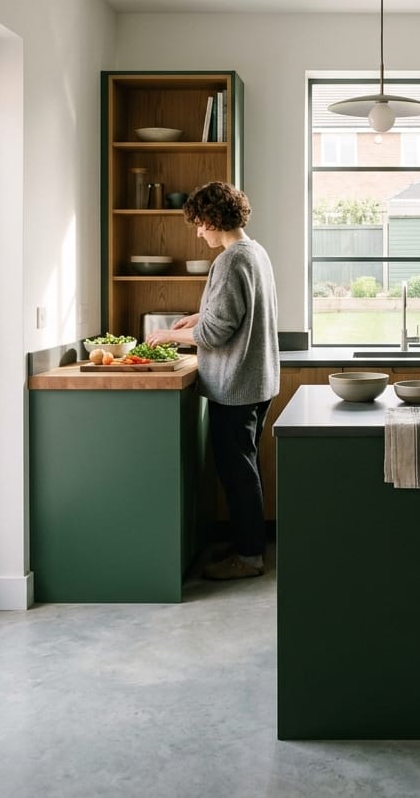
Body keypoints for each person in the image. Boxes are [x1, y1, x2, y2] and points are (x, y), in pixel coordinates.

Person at [146, 181, 279, 581]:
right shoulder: (255, 252)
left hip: (235, 386)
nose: (198, 232)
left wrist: (170, 334)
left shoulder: (229, 261)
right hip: (257, 381)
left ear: (210, 219)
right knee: (245, 469)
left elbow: (218, 334)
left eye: (198, 225)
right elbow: (236, 314)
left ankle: (250, 557)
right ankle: (247, 543)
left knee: (237, 476)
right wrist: (197, 316)